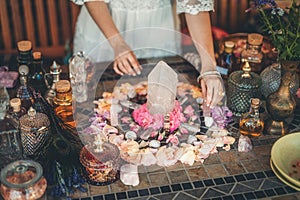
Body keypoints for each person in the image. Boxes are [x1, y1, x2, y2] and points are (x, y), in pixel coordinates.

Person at [71, 0, 225, 108]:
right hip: (105, 24)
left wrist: (209, 66)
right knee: (98, 101)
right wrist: (117, 43)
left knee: (158, 94)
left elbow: (195, 4)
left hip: (157, 27)